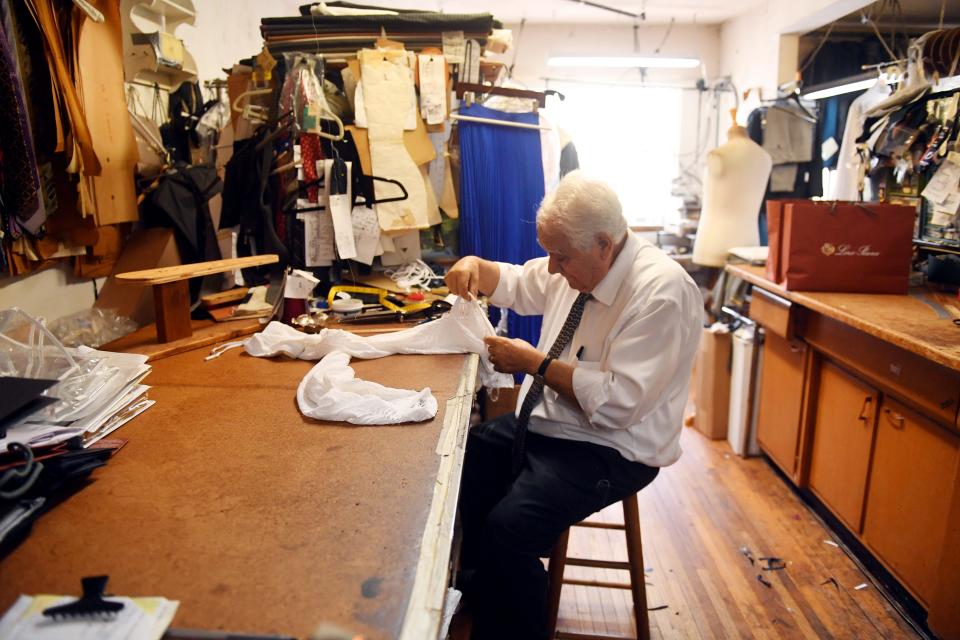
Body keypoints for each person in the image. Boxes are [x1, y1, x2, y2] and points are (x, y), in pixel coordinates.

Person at [445, 171, 703, 640]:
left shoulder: (661, 293)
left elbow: (619, 405)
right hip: (551, 423)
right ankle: (492, 586)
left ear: (604, 245)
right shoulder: (576, 263)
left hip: (611, 445)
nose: (551, 266)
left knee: (510, 529)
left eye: (560, 256)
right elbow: (521, 281)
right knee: (468, 456)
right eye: (549, 252)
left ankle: (513, 618)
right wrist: (475, 267)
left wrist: (535, 364)